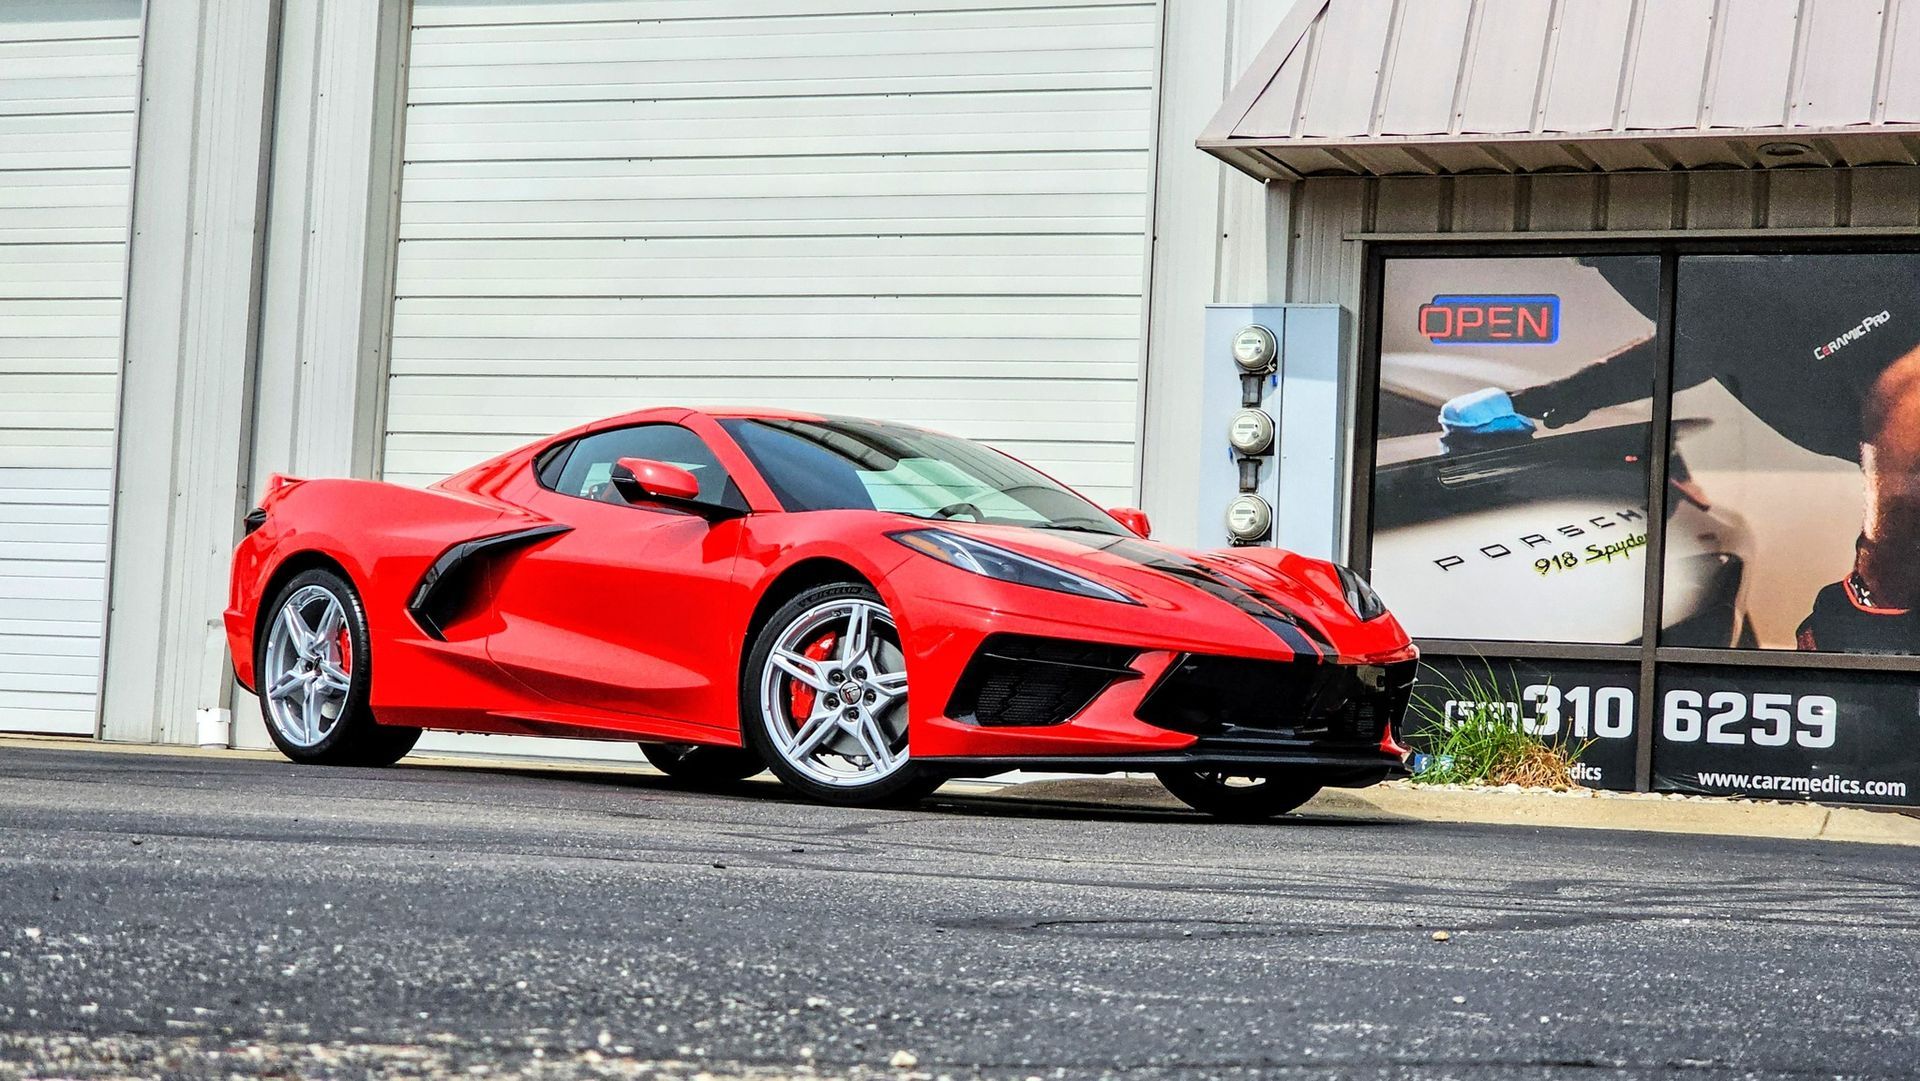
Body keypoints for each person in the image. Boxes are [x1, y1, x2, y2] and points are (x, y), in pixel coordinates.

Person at [1440, 254, 1920, 653]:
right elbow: (1712, 335)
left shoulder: (1849, 283)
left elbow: (1907, 396)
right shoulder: (1746, 298)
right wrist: (1566, 394)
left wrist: (1874, 588)